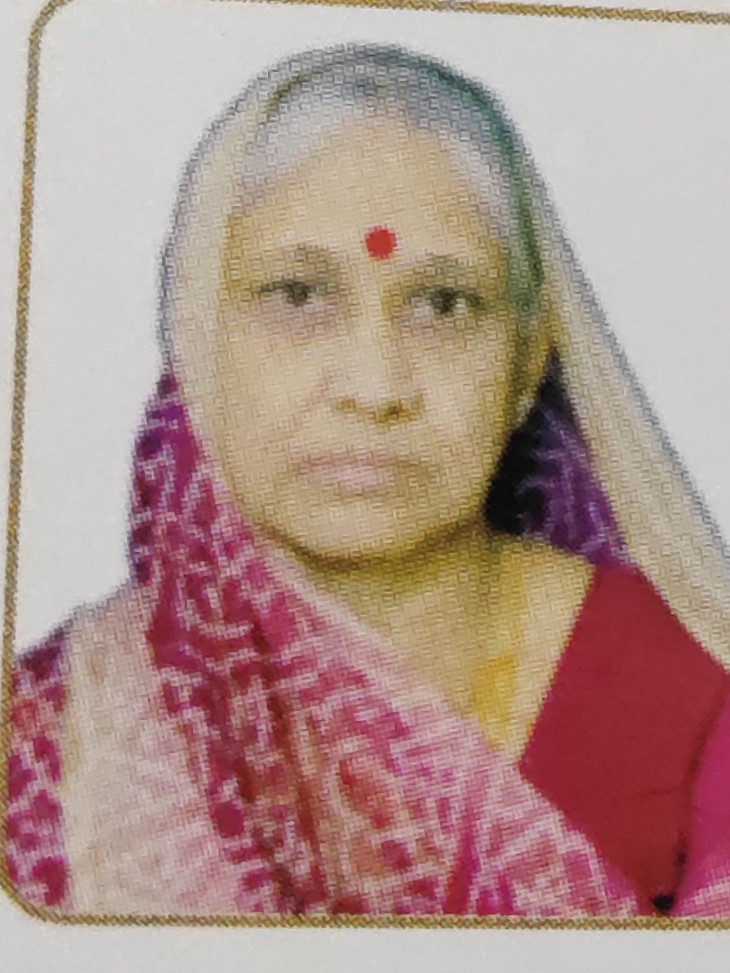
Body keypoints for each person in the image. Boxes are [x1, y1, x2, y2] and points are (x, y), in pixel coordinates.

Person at [7, 43, 730, 919]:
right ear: (196, 338)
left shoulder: (697, 686)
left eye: (444, 304)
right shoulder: (59, 733)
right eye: (298, 295)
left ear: (527, 360)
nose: (375, 385)